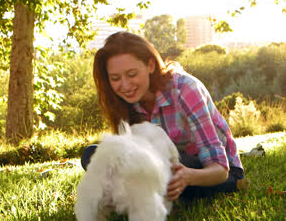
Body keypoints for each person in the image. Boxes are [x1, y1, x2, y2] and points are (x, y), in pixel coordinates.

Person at [81, 31, 244, 201]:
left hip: (210, 173)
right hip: (163, 168)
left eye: (132, 74)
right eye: (115, 78)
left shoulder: (185, 88)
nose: (125, 85)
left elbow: (220, 170)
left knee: (165, 176)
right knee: (92, 156)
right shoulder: (123, 103)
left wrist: (187, 176)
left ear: (150, 65)